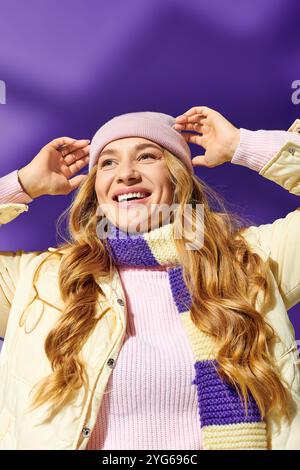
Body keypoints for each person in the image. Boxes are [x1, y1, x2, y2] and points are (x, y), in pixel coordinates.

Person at [0, 106, 299, 450]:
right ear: (96, 188)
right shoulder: (42, 281)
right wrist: (20, 185)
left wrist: (242, 145)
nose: (125, 174)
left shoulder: (252, 260)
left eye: (146, 157)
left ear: (178, 177)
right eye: (108, 162)